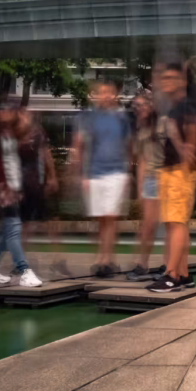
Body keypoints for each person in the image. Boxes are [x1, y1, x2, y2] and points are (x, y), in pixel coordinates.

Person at [0, 98, 51, 287]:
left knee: (5, 232)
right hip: (3, 189)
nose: (8, 113)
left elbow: (20, 156)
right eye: (5, 110)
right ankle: (24, 270)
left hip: (13, 188)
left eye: (11, 110)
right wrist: (2, 187)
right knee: (13, 230)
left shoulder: (9, 133)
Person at [147, 63, 196, 293]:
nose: (165, 81)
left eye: (172, 77)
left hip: (180, 171)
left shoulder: (187, 108)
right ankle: (182, 274)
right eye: (164, 78)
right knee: (173, 224)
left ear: (182, 81)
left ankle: (171, 275)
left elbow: (191, 146)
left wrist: (183, 166)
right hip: (170, 169)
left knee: (176, 223)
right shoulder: (175, 108)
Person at [71, 80, 133, 278]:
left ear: (115, 96)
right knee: (99, 219)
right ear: (95, 95)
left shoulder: (122, 119)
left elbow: (128, 146)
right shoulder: (87, 118)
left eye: (110, 92)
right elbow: (79, 146)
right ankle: (101, 257)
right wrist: (81, 174)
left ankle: (106, 259)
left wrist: (127, 172)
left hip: (115, 173)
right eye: (102, 92)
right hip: (94, 174)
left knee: (110, 217)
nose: (106, 96)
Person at [126, 91, 165, 282]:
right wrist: (141, 187)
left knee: (169, 225)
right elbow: (140, 160)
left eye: (142, 105)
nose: (138, 109)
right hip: (150, 180)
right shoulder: (141, 129)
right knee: (147, 225)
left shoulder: (163, 124)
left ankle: (169, 266)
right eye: (136, 106)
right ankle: (142, 265)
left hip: (167, 178)